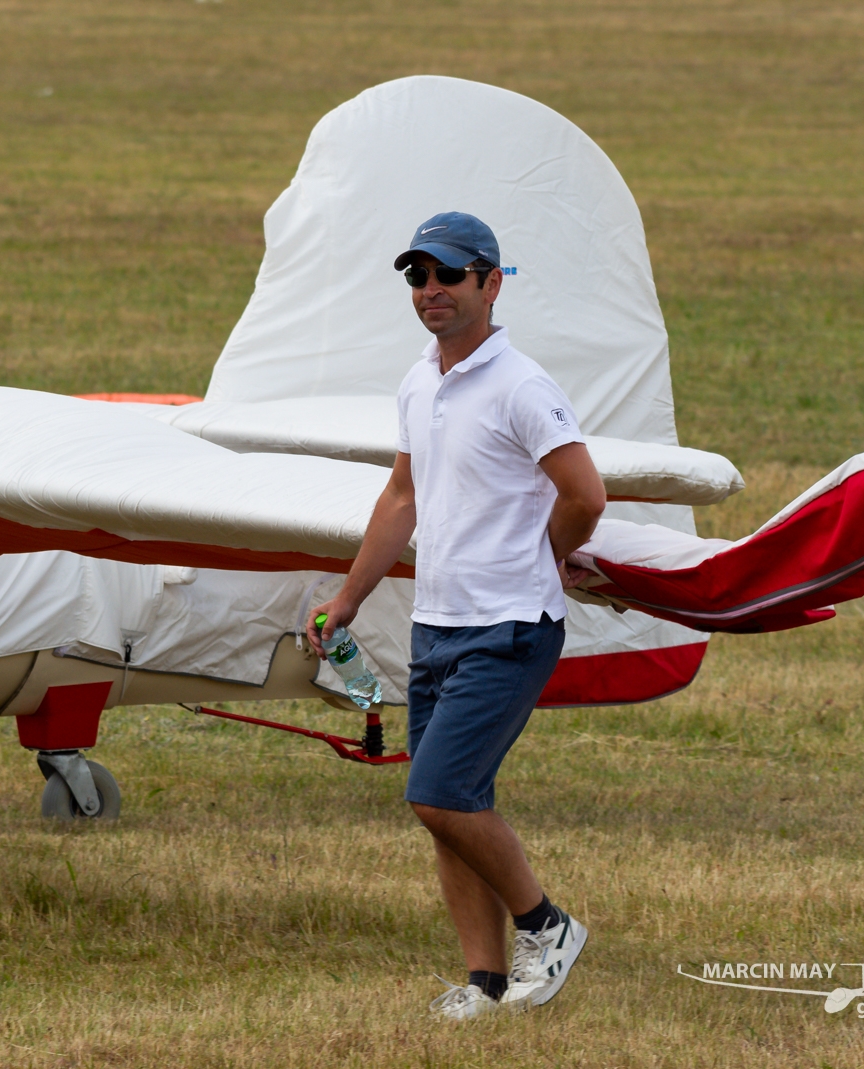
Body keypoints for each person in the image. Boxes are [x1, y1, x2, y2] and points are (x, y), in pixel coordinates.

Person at [308, 212, 604, 1020]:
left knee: (437, 792)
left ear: (491, 283)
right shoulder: (419, 381)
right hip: (436, 622)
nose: (430, 289)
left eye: (447, 274)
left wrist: (542, 556)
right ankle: (486, 982)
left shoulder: (522, 386)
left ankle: (547, 925)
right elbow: (401, 496)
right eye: (418, 276)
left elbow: (585, 495)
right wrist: (347, 598)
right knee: (453, 810)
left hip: (510, 626)